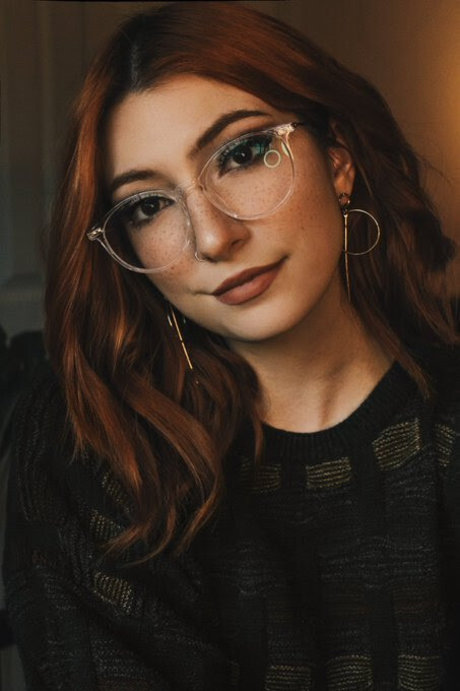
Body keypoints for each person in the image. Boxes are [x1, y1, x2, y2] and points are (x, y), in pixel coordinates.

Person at [3, 2, 460, 689]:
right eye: (149, 205)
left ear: (337, 158)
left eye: (242, 154)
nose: (214, 237)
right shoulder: (89, 447)